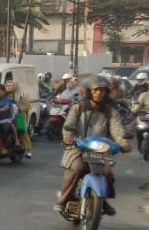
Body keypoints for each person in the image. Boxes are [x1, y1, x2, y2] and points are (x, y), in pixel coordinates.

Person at [55, 77, 130, 216]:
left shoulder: (111, 111)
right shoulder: (78, 108)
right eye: (96, 90)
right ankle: (63, 200)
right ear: (90, 91)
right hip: (77, 148)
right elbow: (68, 126)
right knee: (77, 168)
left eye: (102, 90)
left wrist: (123, 143)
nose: (99, 93)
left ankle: (102, 200)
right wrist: (68, 137)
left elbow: (117, 130)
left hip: (101, 150)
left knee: (107, 173)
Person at [4, 80, 33, 159]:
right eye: (7, 86)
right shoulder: (3, 95)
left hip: (19, 116)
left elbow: (27, 106)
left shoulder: (21, 95)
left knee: (23, 132)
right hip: (5, 115)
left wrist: (19, 109)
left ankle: (28, 150)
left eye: (10, 85)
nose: (8, 87)